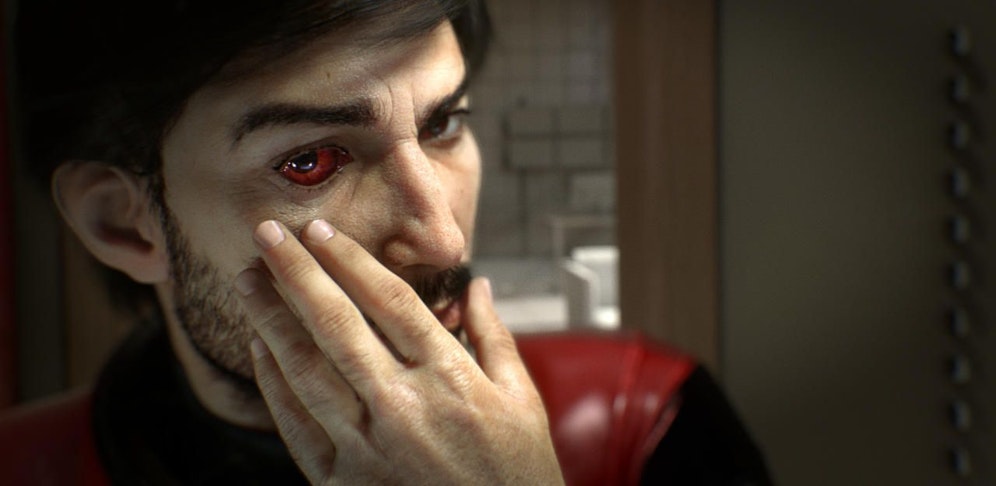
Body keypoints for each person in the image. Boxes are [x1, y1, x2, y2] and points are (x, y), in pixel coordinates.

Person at [3, 0, 773, 484]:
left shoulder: (644, 419)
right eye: (311, 161)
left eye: (443, 124)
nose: (443, 240)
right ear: (122, 221)